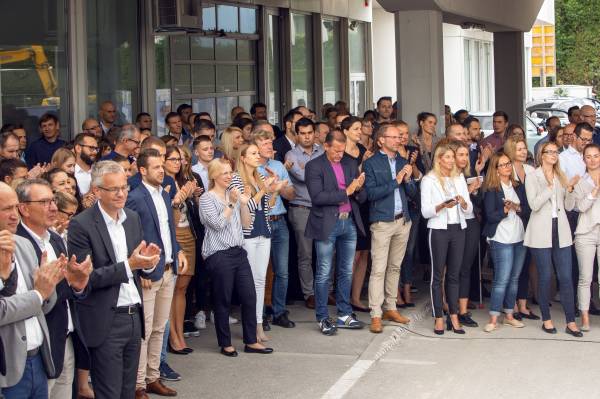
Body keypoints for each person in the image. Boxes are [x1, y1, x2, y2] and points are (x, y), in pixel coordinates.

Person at [67, 160, 162, 399]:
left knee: (128, 391)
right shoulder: (81, 224)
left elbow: (138, 267)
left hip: (134, 315)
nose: (121, 193)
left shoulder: (132, 218)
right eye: (114, 189)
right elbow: (86, 279)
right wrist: (130, 265)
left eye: (124, 187)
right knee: (109, 392)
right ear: (97, 191)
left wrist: (148, 265)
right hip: (106, 319)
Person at [14, 179, 91, 399]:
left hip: (65, 336)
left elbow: (68, 288)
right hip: (40, 346)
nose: (54, 208)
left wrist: (78, 284)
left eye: (53, 201)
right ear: (24, 208)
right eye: (45, 202)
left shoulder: (55, 239)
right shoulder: (18, 242)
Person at [126, 149, 187, 398]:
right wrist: (139, 269)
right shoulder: (136, 197)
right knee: (146, 330)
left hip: (169, 268)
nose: (162, 170)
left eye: (162, 166)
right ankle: (139, 384)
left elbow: (168, 229)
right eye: (156, 167)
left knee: (160, 328)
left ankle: (153, 377)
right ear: (142, 171)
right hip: (148, 273)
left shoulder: (164, 194)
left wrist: (179, 250)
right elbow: (132, 235)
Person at [0, 182, 69, 399]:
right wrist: (38, 294)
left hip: (38, 359)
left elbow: (44, 306)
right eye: (6, 209)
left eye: (15, 207)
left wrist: (50, 283)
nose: (15, 215)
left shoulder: (24, 245)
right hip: (7, 371)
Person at [197, 158, 273, 356]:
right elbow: (217, 224)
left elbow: (246, 224)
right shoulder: (207, 198)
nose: (229, 176)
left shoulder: (235, 195)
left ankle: (251, 341)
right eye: (224, 173)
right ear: (214, 175)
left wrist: (245, 203)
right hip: (219, 254)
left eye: (230, 172)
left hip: (239, 251)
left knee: (249, 296)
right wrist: (231, 202)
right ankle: (225, 343)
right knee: (223, 300)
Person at [305, 130, 367, 335]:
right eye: (337, 151)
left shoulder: (350, 163)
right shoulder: (314, 166)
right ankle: (322, 317)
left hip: (348, 222)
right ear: (326, 146)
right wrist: (346, 192)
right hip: (326, 224)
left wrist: (358, 189)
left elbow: (361, 194)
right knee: (323, 272)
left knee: (346, 271)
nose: (340, 154)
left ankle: (344, 314)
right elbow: (318, 197)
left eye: (342, 150)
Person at [524, 142, 582, 337]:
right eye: (550, 152)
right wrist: (549, 188)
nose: (554, 155)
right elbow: (533, 205)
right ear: (541, 155)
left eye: (556, 152)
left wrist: (571, 189)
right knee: (545, 276)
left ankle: (571, 322)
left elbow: (567, 204)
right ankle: (546, 319)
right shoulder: (533, 176)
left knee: (566, 277)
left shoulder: (561, 175)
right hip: (541, 230)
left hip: (561, 228)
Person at [363, 123, 416, 333]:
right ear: (381, 140)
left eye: (399, 136)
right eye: (393, 137)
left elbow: (412, 194)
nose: (398, 140)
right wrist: (396, 181)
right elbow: (371, 194)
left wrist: (409, 180)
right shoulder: (371, 163)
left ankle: (390, 307)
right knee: (378, 269)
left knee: (395, 267)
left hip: (403, 220)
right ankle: (375, 314)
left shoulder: (403, 161)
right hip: (382, 222)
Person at [420, 141, 472, 335]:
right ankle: (438, 317)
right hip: (439, 229)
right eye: (448, 157)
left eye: (453, 157)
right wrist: (442, 206)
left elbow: (470, 210)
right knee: (437, 275)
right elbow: (425, 211)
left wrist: (464, 203)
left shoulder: (458, 179)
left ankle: (454, 316)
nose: (452, 161)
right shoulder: (429, 179)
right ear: (439, 159)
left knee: (454, 275)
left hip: (458, 228)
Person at [481, 152, 531, 332]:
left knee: (514, 279)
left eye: (508, 163)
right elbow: (490, 216)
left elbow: (527, 210)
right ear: (495, 169)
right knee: (501, 280)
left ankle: (509, 315)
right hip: (501, 239)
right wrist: (504, 209)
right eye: (502, 165)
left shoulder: (518, 186)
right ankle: (494, 318)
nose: (507, 167)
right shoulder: (491, 189)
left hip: (519, 238)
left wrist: (516, 208)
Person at [253, 130, 295, 329]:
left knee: (282, 271)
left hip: (280, 221)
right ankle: (260, 316)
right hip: (261, 222)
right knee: (260, 272)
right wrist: (270, 188)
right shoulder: (250, 169)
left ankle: (279, 312)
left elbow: (291, 194)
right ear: (255, 148)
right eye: (265, 144)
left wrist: (281, 185)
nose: (271, 147)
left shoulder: (278, 165)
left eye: (271, 143)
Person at [285, 119, 324, 309]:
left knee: (325, 252)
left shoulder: (323, 151)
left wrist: (305, 170)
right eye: (302, 133)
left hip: (323, 208)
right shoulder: (290, 154)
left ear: (314, 132)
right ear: (296, 134)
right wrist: (313, 173)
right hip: (301, 208)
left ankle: (325, 291)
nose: (307, 136)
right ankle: (309, 293)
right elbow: (304, 177)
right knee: (305, 254)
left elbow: (328, 176)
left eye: (310, 132)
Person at [564, 143, 600, 331]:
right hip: (585, 232)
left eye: (596, 156)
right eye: (589, 156)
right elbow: (579, 207)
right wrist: (594, 191)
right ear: (583, 159)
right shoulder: (579, 181)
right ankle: (584, 316)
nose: (593, 160)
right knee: (585, 278)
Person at [503, 136, 539, 320]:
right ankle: (511, 304)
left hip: (530, 220)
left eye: (524, 148)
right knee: (511, 267)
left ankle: (523, 304)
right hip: (513, 221)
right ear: (511, 151)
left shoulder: (531, 169)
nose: (524, 152)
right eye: (519, 149)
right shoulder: (506, 170)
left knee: (525, 264)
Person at [448, 140, 483, 327]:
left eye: (464, 155)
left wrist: (473, 188)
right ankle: (450, 309)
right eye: (459, 155)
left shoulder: (466, 174)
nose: (463, 158)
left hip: (470, 222)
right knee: (454, 267)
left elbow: (473, 204)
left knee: (466, 267)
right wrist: (469, 192)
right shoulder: (446, 176)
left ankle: (462, 310)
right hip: (455, 224)